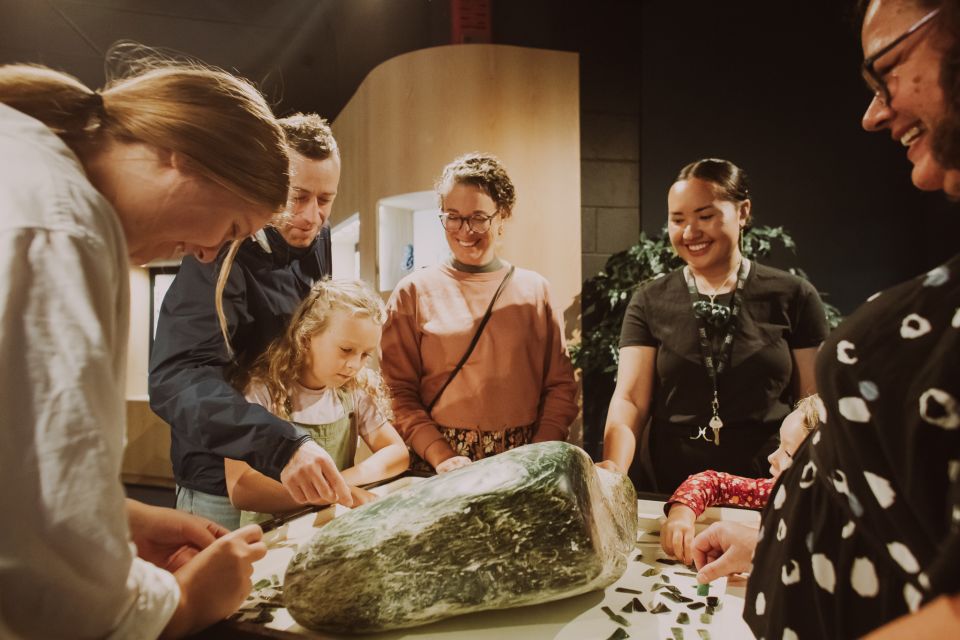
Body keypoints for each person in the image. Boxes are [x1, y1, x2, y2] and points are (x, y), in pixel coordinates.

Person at [693, 1, 960, 637]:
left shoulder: (789, 292)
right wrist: (773, 532)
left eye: (887, 70)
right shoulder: (652, 298)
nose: (874, 113)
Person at [0, 62, 289, 637]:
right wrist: (178, 602)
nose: (208, 254)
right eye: (229, 229)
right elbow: (47, 550)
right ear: (181, 154)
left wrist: (118, 521)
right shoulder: (64, 225)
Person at [149, 113, 353, 531]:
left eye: (325, 200)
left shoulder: (318, 239)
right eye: (297, 197)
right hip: (218, 483)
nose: (312, 216)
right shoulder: (220, 248)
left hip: (287, 463)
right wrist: (279, 445)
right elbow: (174, 378)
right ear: (266, 182)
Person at [598, 158, 830, 493]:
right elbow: (631, 400)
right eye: (677, 220)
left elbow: (811, 404)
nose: (690, 232)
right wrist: (614, 469)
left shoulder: (793, 295)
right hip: (669, 488)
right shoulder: (649, 300)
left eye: (705, 216)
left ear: (743, 212)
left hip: (766, 486)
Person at [380, 153, 579, 474]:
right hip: (439, 462)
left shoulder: (535, 290)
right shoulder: (413, 292)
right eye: (453, 216)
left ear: (503, 215)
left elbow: (559, 387)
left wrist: (540, 453)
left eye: (478, 217)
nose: (464, 230)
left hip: (524, 458)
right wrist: (440, 453)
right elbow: (397, 392)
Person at [225, 279, 409, 524]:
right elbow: (241, 488)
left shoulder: (354, 390)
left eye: (365, 355)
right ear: (307, 337)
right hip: (273, 536)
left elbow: (397, 452)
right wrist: (328, 493)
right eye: (345, 350)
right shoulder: (262, 391)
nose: (355, 365)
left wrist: (340, 483)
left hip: (330, 525)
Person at [660, 395, 820, 565]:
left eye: (788, 453)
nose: (772, 457)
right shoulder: (773, 491)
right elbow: (715, 483)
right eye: (779, 444)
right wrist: (681, 512)